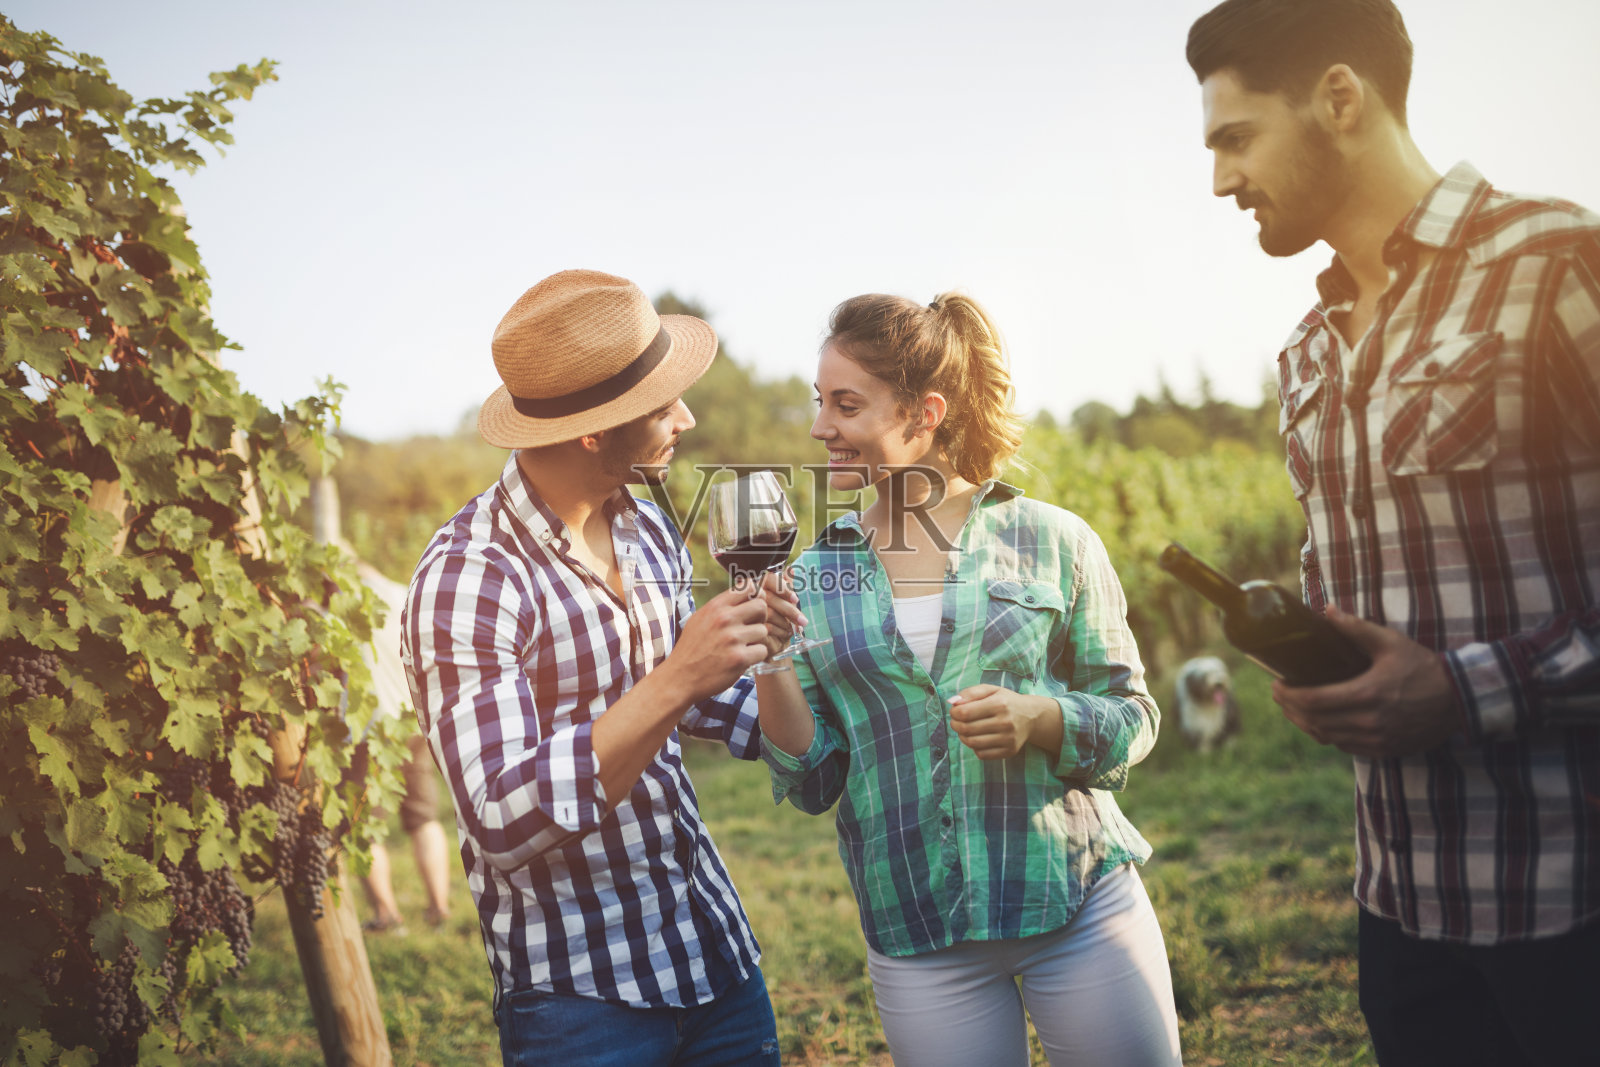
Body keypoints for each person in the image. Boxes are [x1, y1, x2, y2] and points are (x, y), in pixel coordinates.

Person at [1186, 2, 1600, 1063]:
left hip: (1572, 904)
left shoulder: (1556, 261)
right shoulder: (1306, 352)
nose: (1221, 180)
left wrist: (1464, 689)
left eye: (1236, 138)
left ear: (1339, 97)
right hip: (1399, 908)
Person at [750, 292, 1182, 1066]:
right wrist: (769, 656)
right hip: (919, 933)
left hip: (1076, 903)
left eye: (846, 404)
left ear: (924, 414)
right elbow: (813, 779)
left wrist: (1040, 717)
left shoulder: (1053, 540)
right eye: (821, 402)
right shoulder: (813, 577)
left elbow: (1134, 715)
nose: (820, 427)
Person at [401, 270, 790, 1066]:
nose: (687, 417)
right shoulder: (470, 576)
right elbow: (500, 816)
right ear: (594, 432)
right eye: (663, 404)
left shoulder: (647, 527)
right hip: (580, 995)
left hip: (710, 948)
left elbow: (703, 699)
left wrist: (803, 678)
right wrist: (679, 675)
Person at [309, 477, 455, 933]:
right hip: (413, 722)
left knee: (361, 826)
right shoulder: (401, 593)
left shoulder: (334, 613)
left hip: (366, 729)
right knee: (423, 818)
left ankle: (387, 914)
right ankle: (439, 908)